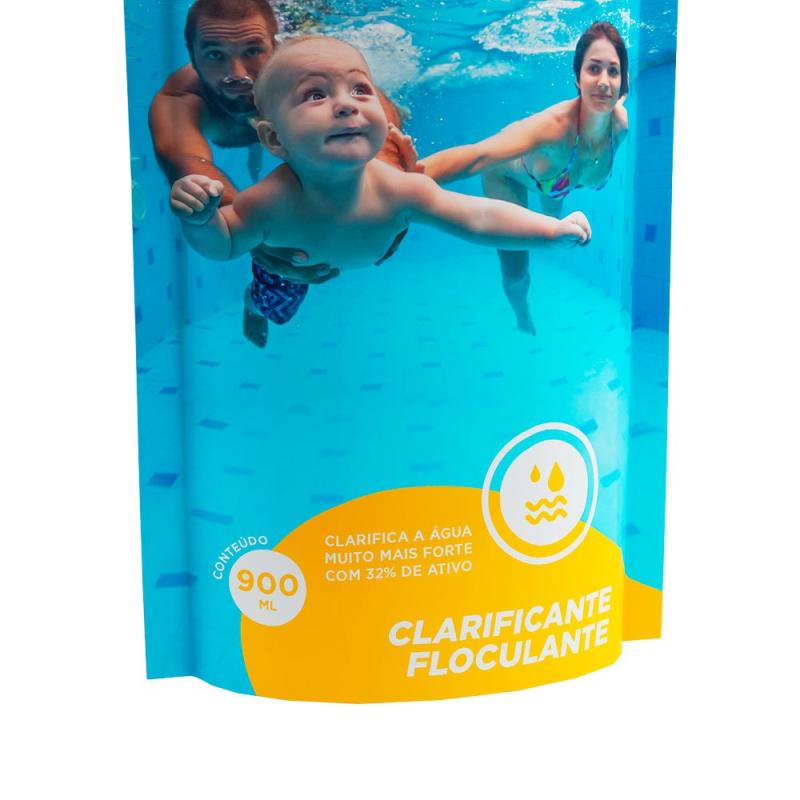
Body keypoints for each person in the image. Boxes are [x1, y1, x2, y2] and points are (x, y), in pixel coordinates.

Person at [168, 36, 592, 335]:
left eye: (360, 89)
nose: (346, 104)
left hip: (348, 251)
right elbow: (225, 243)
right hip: (289, 268)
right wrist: (201, 220)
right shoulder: (270, 202)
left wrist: (550, 231)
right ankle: (252, 306)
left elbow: (478, 217)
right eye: (315, 95)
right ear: (274, 139)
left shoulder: (397, 188)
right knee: (276, 308)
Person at [149, 0, 416, 345]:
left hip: (299, 148)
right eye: (214, 54)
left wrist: (391, 196)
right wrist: (252, 232)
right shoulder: (180, 97)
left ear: (276, 44)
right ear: (190, 53)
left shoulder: (305, 73)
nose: (237, 74)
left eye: (253, 50)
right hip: (273, 140)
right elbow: (186, 160)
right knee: (279, 298)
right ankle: (254, 304)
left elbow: (376, 116)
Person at [419, 22, 629, 334]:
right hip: (508, 176)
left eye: (613, 71)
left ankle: (550, 204)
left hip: (554, 181)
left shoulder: (620, 127)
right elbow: (477, 156)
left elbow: (614, 101)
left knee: (554, 201)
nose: (603, 82)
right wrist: (401, 178)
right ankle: (521, 314)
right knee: (516, 271)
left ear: (623, 81)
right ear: (577, 77)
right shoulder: (552, 128)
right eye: (593, 69)